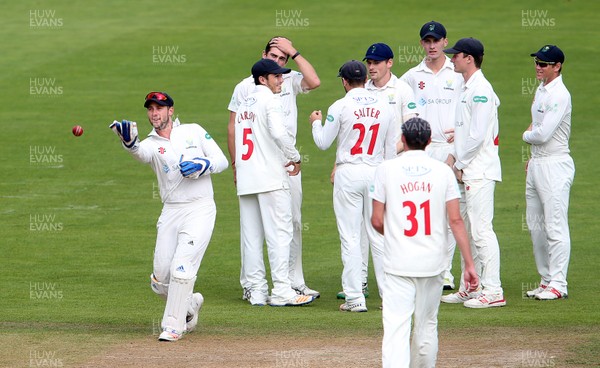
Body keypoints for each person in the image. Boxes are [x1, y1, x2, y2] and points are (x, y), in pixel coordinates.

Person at [109, 91, 229, 341]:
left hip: (200, 208)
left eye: (159, 108)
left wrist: (201, 165)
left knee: (181, 270)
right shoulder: (151, 144)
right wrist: (129, 144)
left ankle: (173, 326)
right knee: (161, 277)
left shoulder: (193, 131)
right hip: (172, 210)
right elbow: (141, 154)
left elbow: (222, 160)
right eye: (150, 109)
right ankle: (189, 305)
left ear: (171, 110)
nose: (154, 113)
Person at [370, 117, 479, 367]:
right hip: (433, 262)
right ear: (429, 141)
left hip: (398, 262)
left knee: (396, 327)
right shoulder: (443, 172)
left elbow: (377, 220)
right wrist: (470, 266)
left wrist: (397, 236)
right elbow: (456, 221)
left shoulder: (386, 169)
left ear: (403, 140)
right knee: (427, 325)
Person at [227, 37, 321, 300]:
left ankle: (256, 290)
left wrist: (238, 166)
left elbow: (237, 132)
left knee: (252, 235)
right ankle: (281, 290)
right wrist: (295, 156)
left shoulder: (246, 103)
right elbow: (279, 134)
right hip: (270, 173)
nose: (281, 79)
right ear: (262, 79)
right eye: (276, 76)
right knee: (281, 231)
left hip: (248, 175)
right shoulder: (270, 100)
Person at [310, 60, 397, 312]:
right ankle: (388, 297)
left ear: (345, 82)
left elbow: (323, 143)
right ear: (365, 80)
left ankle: (355, 298)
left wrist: (316, 122)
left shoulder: (340, 105)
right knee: (379, 237)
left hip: (348, 173)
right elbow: (390, 150)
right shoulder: (384, 106)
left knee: (350, 236)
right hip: (376, 173)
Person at [335, 42, 418, 302]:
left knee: (381, 231)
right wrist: (339, 165)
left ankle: (393, 287)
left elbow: (412, 131)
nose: (371, 66)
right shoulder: (363, 89)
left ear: (389, 63)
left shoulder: (403, 90)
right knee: (358, 230)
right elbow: (348, 135)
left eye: (377, 62)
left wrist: (386, 162)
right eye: (369, 62)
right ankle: (359, 283)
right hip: (369, 167)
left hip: (389, 167)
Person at [401, 21, 465, 291]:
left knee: (451, 214)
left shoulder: (459, 73)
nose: (431, 46)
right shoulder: (412, 76)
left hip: (451, 151)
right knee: (424, 212)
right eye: (427, 41)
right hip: (422, 151)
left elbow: (473, 108)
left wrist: (460, 134)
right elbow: (400, 108)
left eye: (436, 41)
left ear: (444, 42)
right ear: (421, 44)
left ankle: (445, 273)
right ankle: (424, 270)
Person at [442, 38, 505, 308]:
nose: (452, 59)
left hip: (478, 171)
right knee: (466, 231)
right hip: (468, 169)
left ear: (469, 58)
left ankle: (493, 291)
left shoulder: (481, 89)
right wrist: (455, 152)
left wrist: (457, 164)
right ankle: (472, 285)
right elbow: (472, 129)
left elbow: (478, 136)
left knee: (481, 231)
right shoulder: (467, 87)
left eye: (456, 56)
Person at [523, 45, 573, 300]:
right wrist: (532, 158)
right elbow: (538, 127)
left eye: (544, 64)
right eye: (537, 62)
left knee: (555, 226)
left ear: (557, 66)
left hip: (555, 164)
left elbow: (541, 134)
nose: (538, 67)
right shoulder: (541, 89)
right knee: (536, 226)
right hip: (537, 163)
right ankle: (545, 280)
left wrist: (525, 135)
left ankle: (559, 283)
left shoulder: (559, 94)